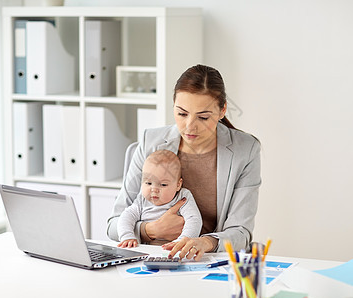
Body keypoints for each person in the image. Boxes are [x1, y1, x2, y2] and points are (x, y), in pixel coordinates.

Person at [108, 64, 261, 261]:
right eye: (182, 113)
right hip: (153, 258)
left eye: (203, 117)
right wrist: (150, 230)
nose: (190, 126)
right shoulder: (150, 142)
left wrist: (206, 242)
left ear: (222, 110)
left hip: (207, 260)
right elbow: (113, 224)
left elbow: (241, 232)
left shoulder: (245, 150)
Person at [117, 150, 202, 248]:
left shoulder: (182, 196)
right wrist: (127, 236)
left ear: (178, 185)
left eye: (163, 184)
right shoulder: (142, 199)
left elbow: (194, 220)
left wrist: (182, 241)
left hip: (175, 250)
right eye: (148, 183)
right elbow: (126, 216)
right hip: (147, 250)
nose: (154, 189)